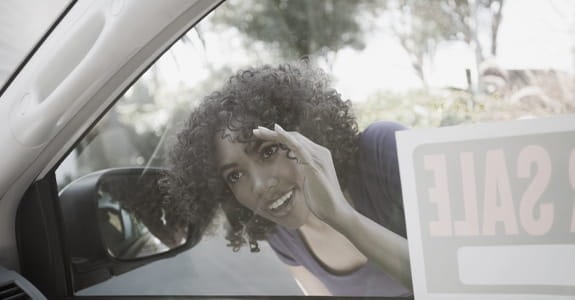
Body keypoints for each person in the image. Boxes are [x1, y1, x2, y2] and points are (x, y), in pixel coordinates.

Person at [163, 62, 412, 297]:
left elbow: (448, 276)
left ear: (307, 135)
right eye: (235, 176)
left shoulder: (384, 149)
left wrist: (341, 216)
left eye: (268, 151)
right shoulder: (282, 236)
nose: (259, 185)